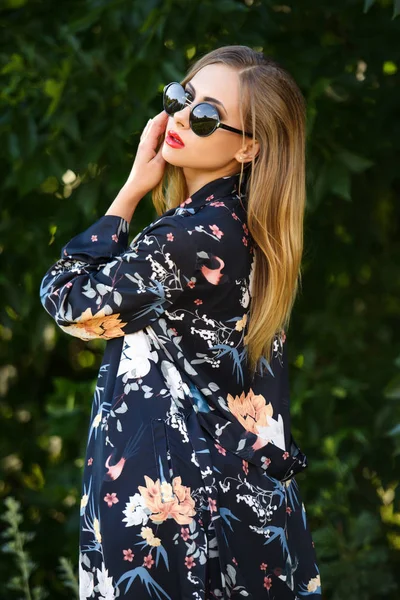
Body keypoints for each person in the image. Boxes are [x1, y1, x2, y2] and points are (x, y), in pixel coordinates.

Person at [40, 45, 322, 600]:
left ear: (249, 148)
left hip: (175, 514)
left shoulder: (192, 235)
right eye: (181, 96)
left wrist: (128, 193)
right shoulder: (242, 228)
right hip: (231, 504)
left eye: (207, 115)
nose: (181, 118)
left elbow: (68, 301)